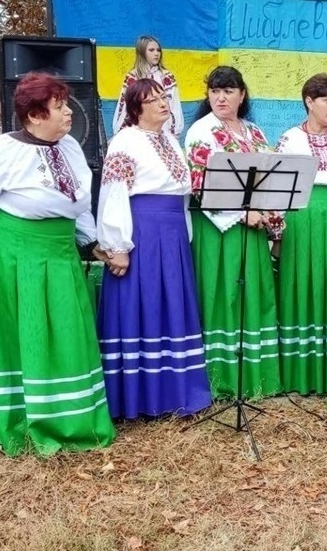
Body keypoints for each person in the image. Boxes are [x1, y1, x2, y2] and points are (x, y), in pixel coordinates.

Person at [0, 72, 115, 455]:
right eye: (59, 107)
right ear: (35, 115)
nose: (69, 112)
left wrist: (91, 242)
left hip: (58, 257)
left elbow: (77, 202)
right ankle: (19, 418)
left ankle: (68, 416)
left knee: (64, 333)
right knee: (21, 335)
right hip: (13, 259)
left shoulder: (70, 146)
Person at [96, 78, 212, 419]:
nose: (163, 103)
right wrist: (116, 244)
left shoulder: (171, 142)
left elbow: (181, 192)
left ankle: (176, 391)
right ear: (135, 107)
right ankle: (139, 396)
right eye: (153, 99)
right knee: (143, 303)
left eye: (164, 97)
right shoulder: (126, 142)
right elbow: (114, 192)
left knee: (171, 305)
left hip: (173, 233)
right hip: (143, 232)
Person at [184, 66, 283, 399]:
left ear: (242, 95)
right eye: (214, 90)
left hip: (253, 229)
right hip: (220, 229)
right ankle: (222, 379)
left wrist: (270, 212)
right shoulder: (201, 131)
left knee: (252, 295)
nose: (220, 97)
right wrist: (243, 213)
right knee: (222, 294)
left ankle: (257, 378)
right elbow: (199, 186)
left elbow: (273, 179)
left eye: (227, 91)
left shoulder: (254, 132)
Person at [273, 73, 327, 395]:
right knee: (301, 284)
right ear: (309, 101)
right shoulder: (289, 140)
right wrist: (278, 231)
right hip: (300, 220)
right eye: (326, 100)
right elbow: (278, 190)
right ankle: (301, 373)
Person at [112, 35, 184, 138]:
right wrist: (119, 132)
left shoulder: (166, 77)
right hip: (137, 132)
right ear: (142, 52)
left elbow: (174, 105)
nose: (156, 54)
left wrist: (175, 132)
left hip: (163, 131)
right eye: (151, 50)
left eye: (158, 50)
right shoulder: (132, 77)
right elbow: (124, 106)